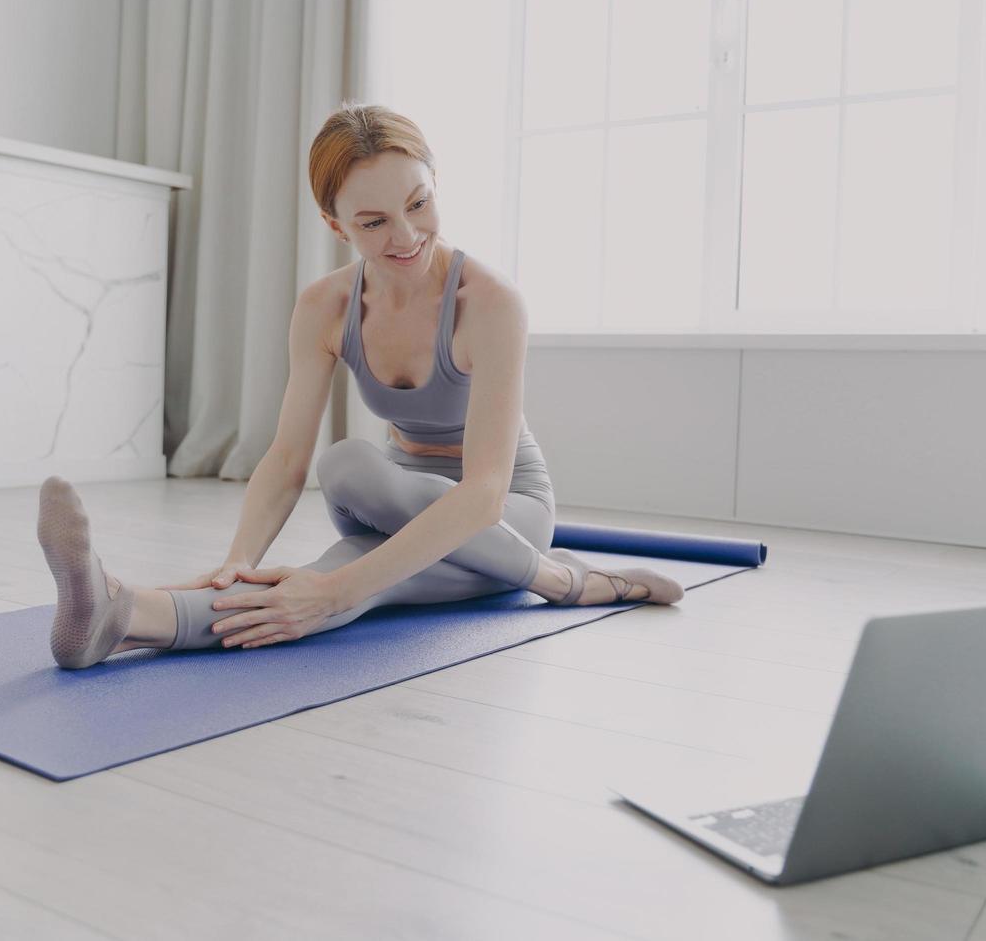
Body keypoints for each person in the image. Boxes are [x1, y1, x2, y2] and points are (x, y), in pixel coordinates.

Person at [37, 102, 683, 670]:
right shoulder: (324, 306)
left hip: (504, 518)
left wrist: (341, 589)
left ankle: (121, 612)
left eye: (419, 203)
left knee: (340, 583)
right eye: (373, 222)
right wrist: (239, 559)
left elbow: (483, 494)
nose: (405, 237)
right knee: (344, 466)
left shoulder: (489, 303)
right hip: (381, 498)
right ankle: (566, 583)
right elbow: (288, 459)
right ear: (334, 223)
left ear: (435, 183)